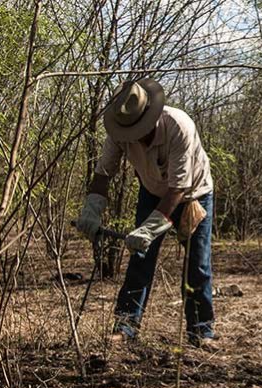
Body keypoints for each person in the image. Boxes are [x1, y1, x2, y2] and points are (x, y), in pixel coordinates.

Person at [76, 79, 216, 348]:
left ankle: (201, 332)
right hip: (151, 192)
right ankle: (126, 326)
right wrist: (92, 209)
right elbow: (103, 174)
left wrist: (148, 229)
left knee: (197, 263)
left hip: (191, 195)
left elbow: (178, 188)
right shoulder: (118, 131)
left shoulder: (178, 126)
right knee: (140, 259)